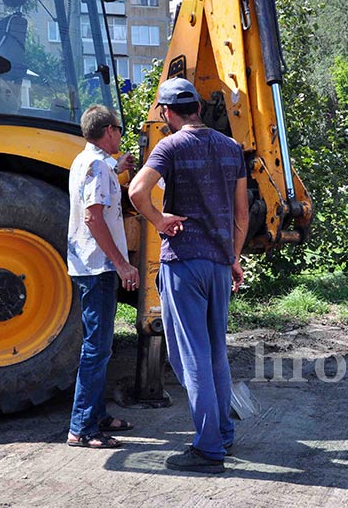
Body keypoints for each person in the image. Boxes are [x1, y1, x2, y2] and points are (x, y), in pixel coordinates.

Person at [129, 77, 248, 474]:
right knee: (215, 351)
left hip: (183, 262)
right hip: (218, 263)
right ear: (197, 106)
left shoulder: (170, 146)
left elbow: (136, 191)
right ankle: (223, 435)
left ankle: (208, 448)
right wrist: (233, 256)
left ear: (166, 112)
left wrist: (160, 221)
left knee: (190, 356)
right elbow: (241, 212)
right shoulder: (231, 148)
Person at [66, 104, 139, 449]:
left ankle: (96, 416)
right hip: (98, 267)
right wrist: (122, 264)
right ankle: (82, 428)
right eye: (119, 130)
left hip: (89, 265)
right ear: (109, 130)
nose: (121, 135)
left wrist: (118, 166)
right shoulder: (96, 166)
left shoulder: (87, 160)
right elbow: (95, 218)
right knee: (96, 349)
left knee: (99, 346)